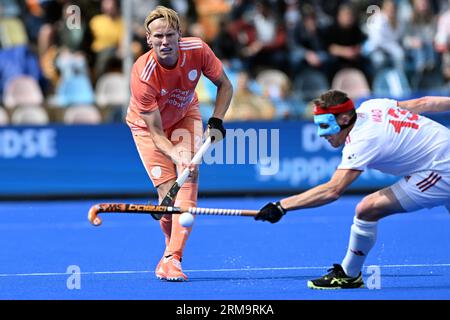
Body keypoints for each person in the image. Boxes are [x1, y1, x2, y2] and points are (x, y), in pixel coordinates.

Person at [255, 89, 450, 289]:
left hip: (441, 168)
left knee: (367, 209)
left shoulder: (363, 140)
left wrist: (281, 206)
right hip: (442, 153)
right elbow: (425, 103)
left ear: (345, 118)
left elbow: (332, 190)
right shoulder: (372, 106)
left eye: (325, 126)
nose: (322, 135)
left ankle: (349, 274)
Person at [126, 6, 232, 282]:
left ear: (179, 35)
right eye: (158, 36)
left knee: (189, 175)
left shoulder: (197, 50)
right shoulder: (143, 74)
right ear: (148, 39)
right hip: (148, 129)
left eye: (170, 35)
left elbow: (225, 85)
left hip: (186, 115)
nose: (164, 42)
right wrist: (176, 154)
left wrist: (217, 119)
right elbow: (157, 133)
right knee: (166, 197)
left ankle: (173, 259)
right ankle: (168, 248)